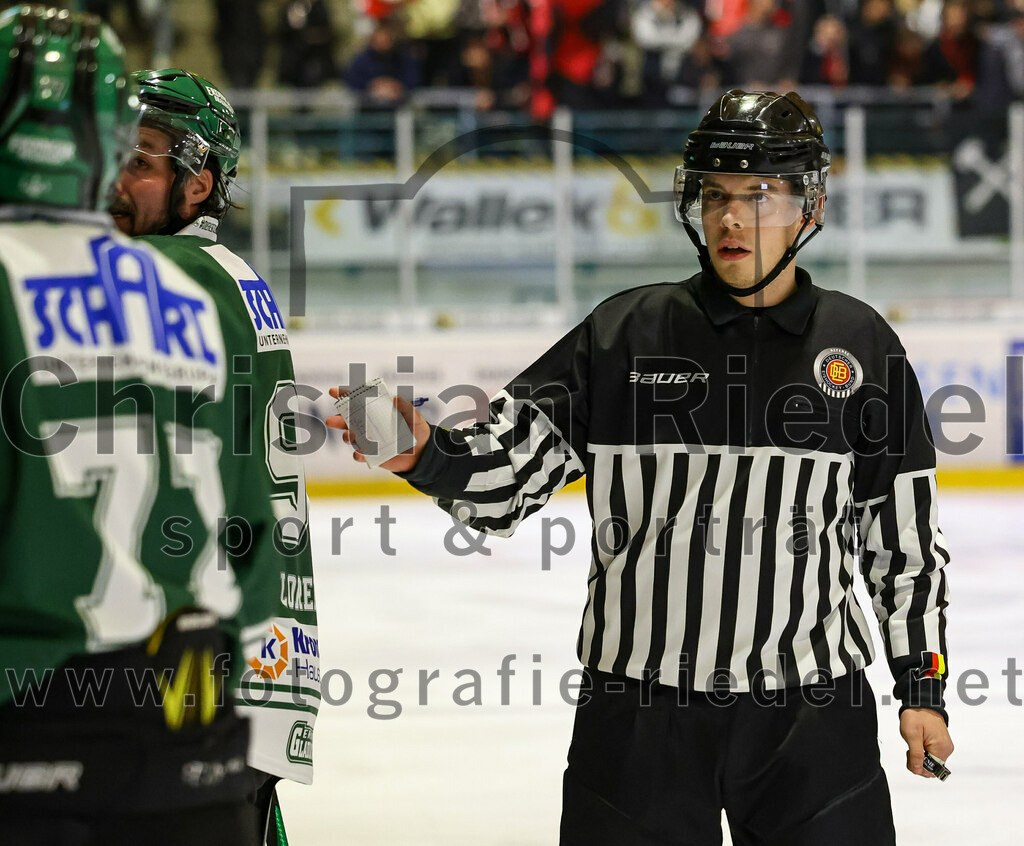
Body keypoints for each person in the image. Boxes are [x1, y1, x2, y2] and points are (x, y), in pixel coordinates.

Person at [327, 89, 954, 844]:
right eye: (716, 196)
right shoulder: (624, 334)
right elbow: (506, 482)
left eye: (757, 196)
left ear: (808, 209)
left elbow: (903, 545)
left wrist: (921, 686)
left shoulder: (861, 345)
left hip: (812, 720)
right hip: (636, 720)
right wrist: (424, 450)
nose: (729, 218)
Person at [0, 7, 289, 845]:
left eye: (144, 157)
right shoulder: (202, 290)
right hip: (187, 708)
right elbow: (253, 526)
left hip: (34, 717)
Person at [109, 68, 319, 844]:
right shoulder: (230, 276)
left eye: (139, 160)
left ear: (198, 184)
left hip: (202, 659)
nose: (115, 180)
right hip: (260, 640)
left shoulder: (169, 281)